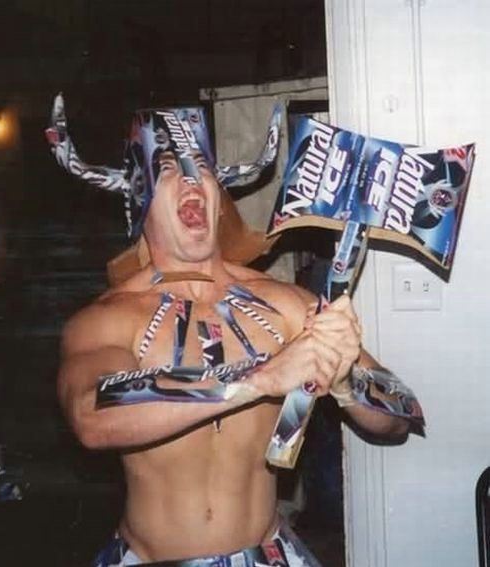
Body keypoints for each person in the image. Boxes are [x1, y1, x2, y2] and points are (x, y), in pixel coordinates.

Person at [46, 95, 413, 566]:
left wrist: (346, 383)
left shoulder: (287, 305)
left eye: (202, 166)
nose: (192, 179)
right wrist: (259, 379)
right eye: (168, 169)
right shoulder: (107, 318)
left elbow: (400, 415)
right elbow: (91, 414)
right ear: (140, 198)